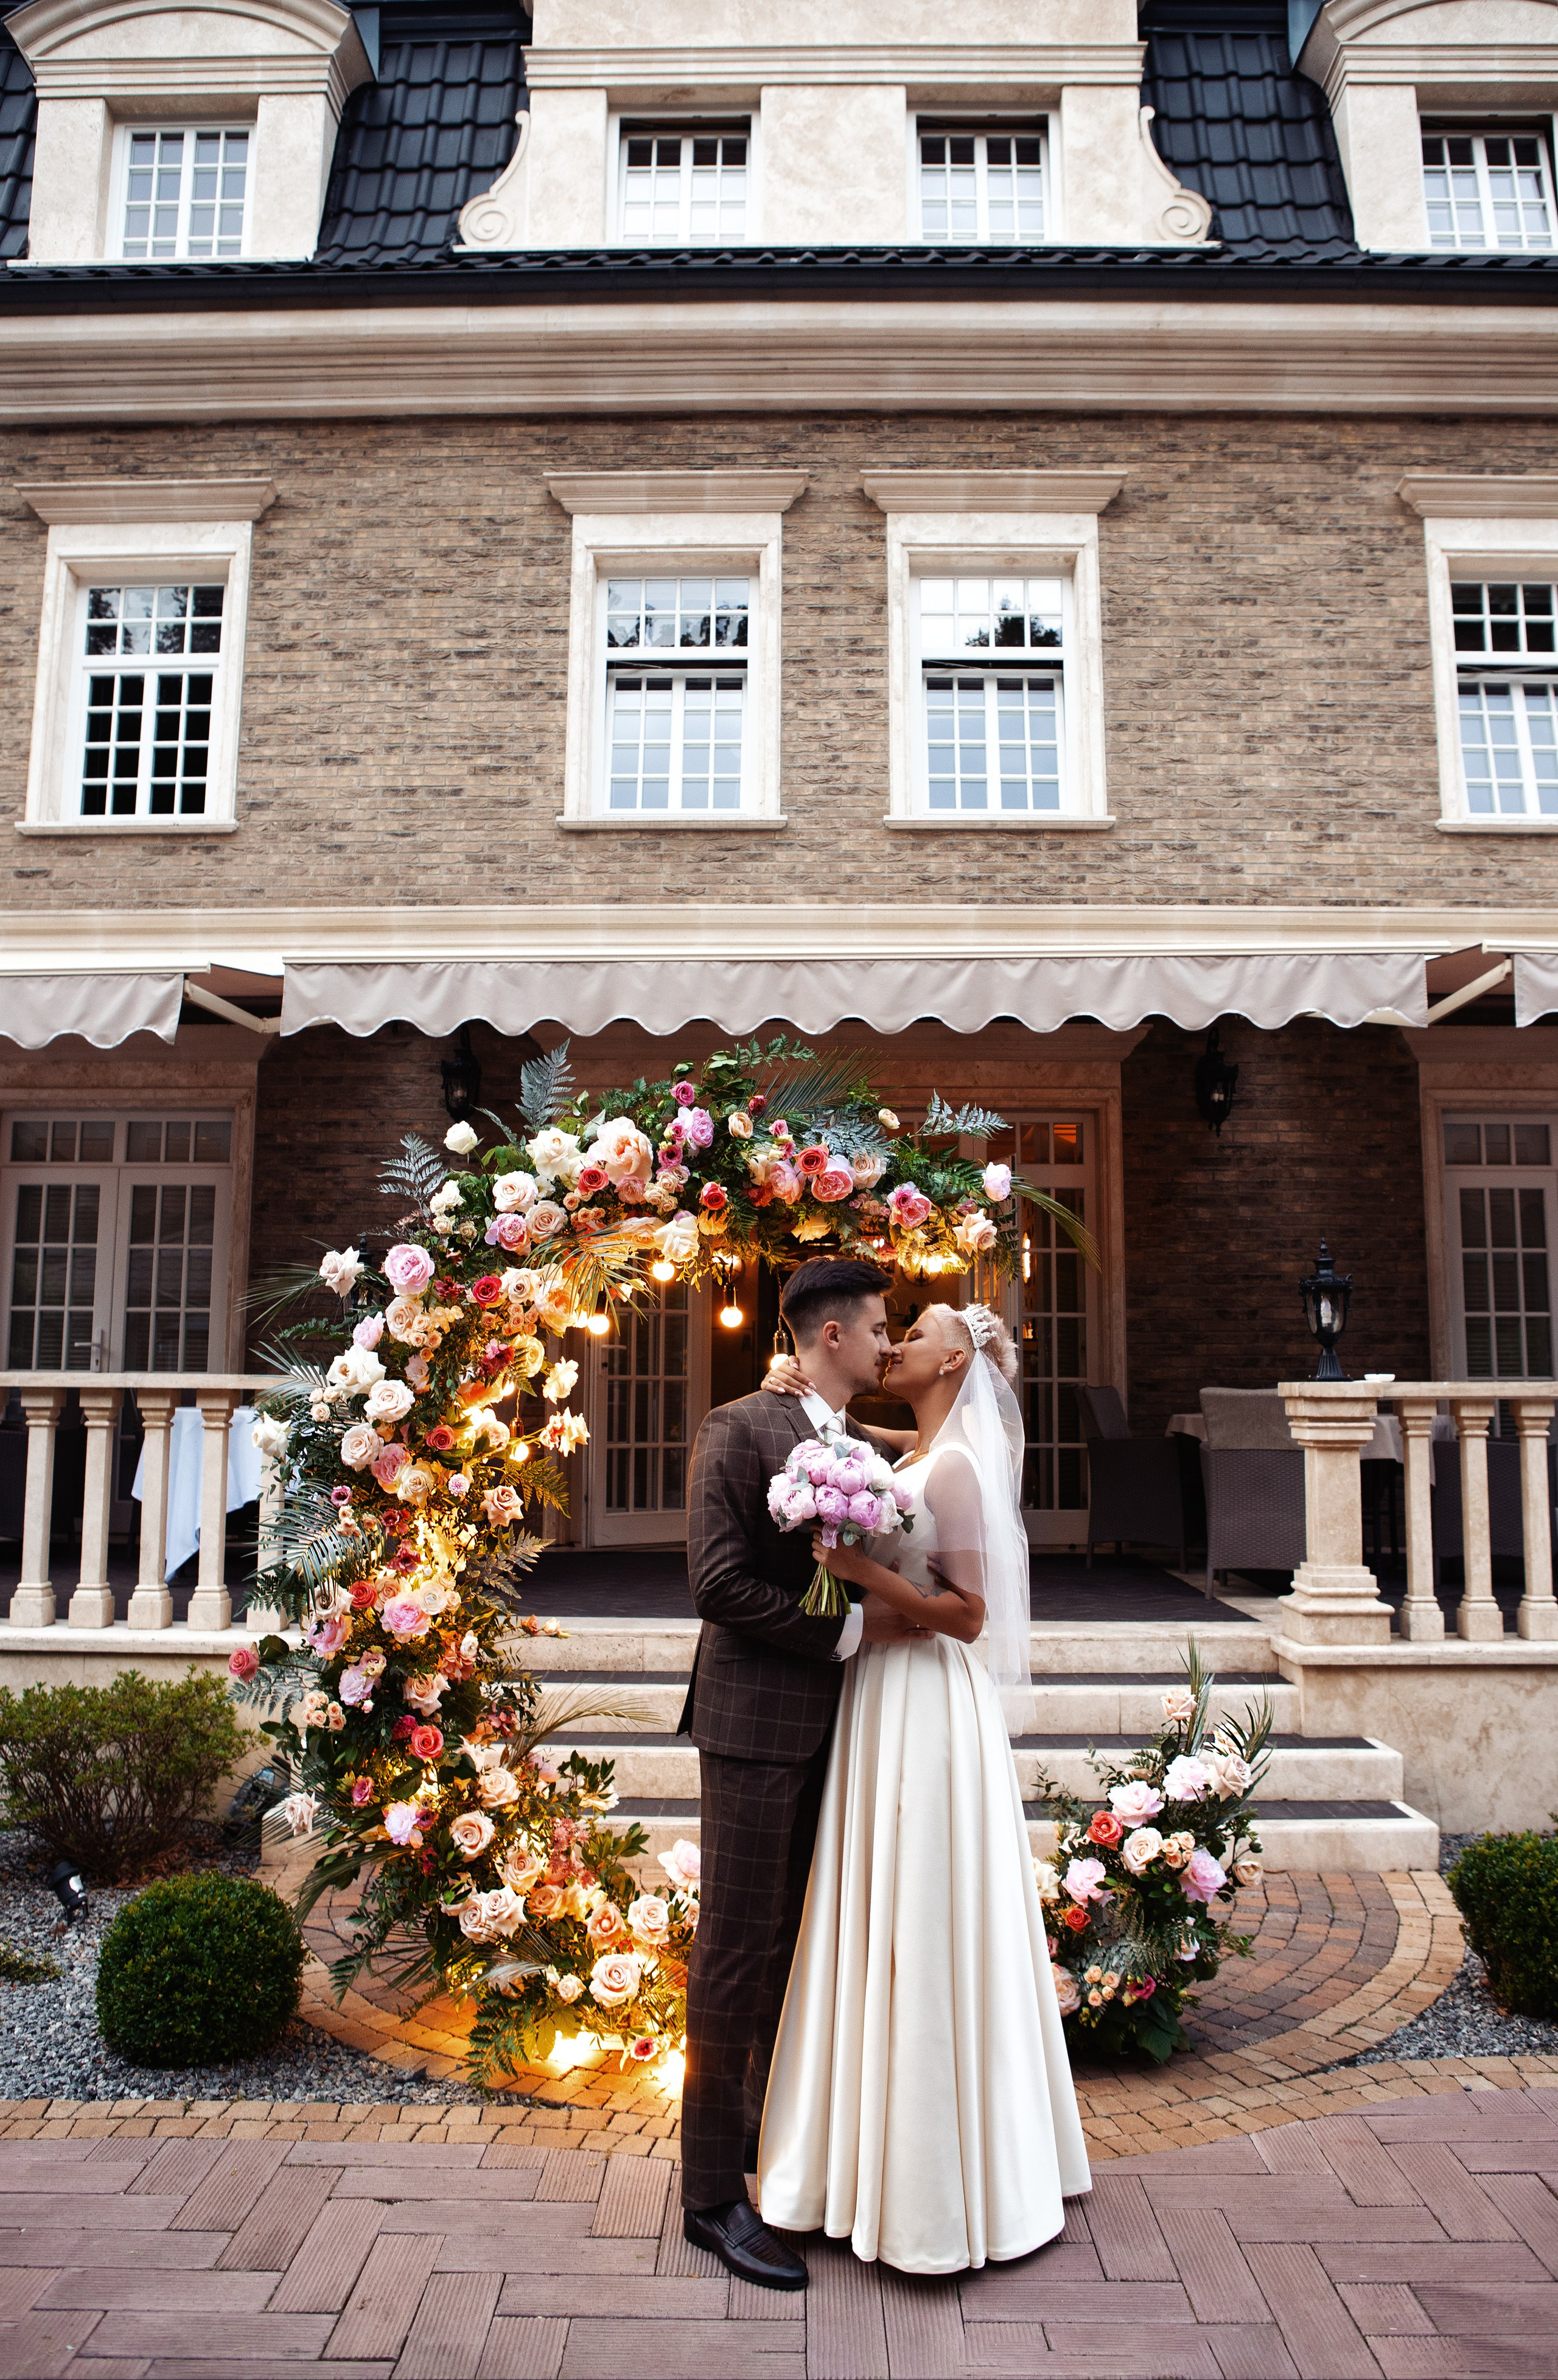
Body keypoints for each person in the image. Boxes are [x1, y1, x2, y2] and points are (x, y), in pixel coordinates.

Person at [755, 1299, 1091, 2274]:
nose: (896, 1341)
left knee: (924, 1914)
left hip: (927, 1702)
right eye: (887, 1328)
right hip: (881, 1700)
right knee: (883, 1910)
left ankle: (938, 2187)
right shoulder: (920, 1452)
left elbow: (971, 1613)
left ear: (955, 1361)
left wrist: (866, 1573)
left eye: (920, 1331)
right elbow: (867, 1437)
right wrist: (806, 1394)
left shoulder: (955, 1468)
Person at [679, 1257, 918, 2292]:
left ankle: (766, 2146)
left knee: (795, 1943)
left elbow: (957, 1451)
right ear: (830, 1337)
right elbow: (718, 1581)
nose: (886, 1342)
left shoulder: (847, 1438)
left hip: (844, 1731)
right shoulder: (739, 1429)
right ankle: (709, 2197)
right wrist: (841, 1634)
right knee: (734, 1948)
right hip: (757, 1721)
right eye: (877, 1327)